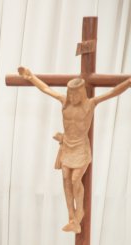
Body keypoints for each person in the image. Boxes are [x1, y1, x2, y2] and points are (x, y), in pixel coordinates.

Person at [18, 67, 131, 233]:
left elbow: (113, 92)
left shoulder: (90, 104)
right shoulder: (64, 102)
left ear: (81, 92)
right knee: (65, 179)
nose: (72, 97)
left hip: (81, 148)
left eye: (75, 94)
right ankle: (71, 217)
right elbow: (46, 89)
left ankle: (80, 212)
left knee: (75, 180)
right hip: (67, 146)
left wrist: (128, 82)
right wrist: (31, 77)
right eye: (70, 94)